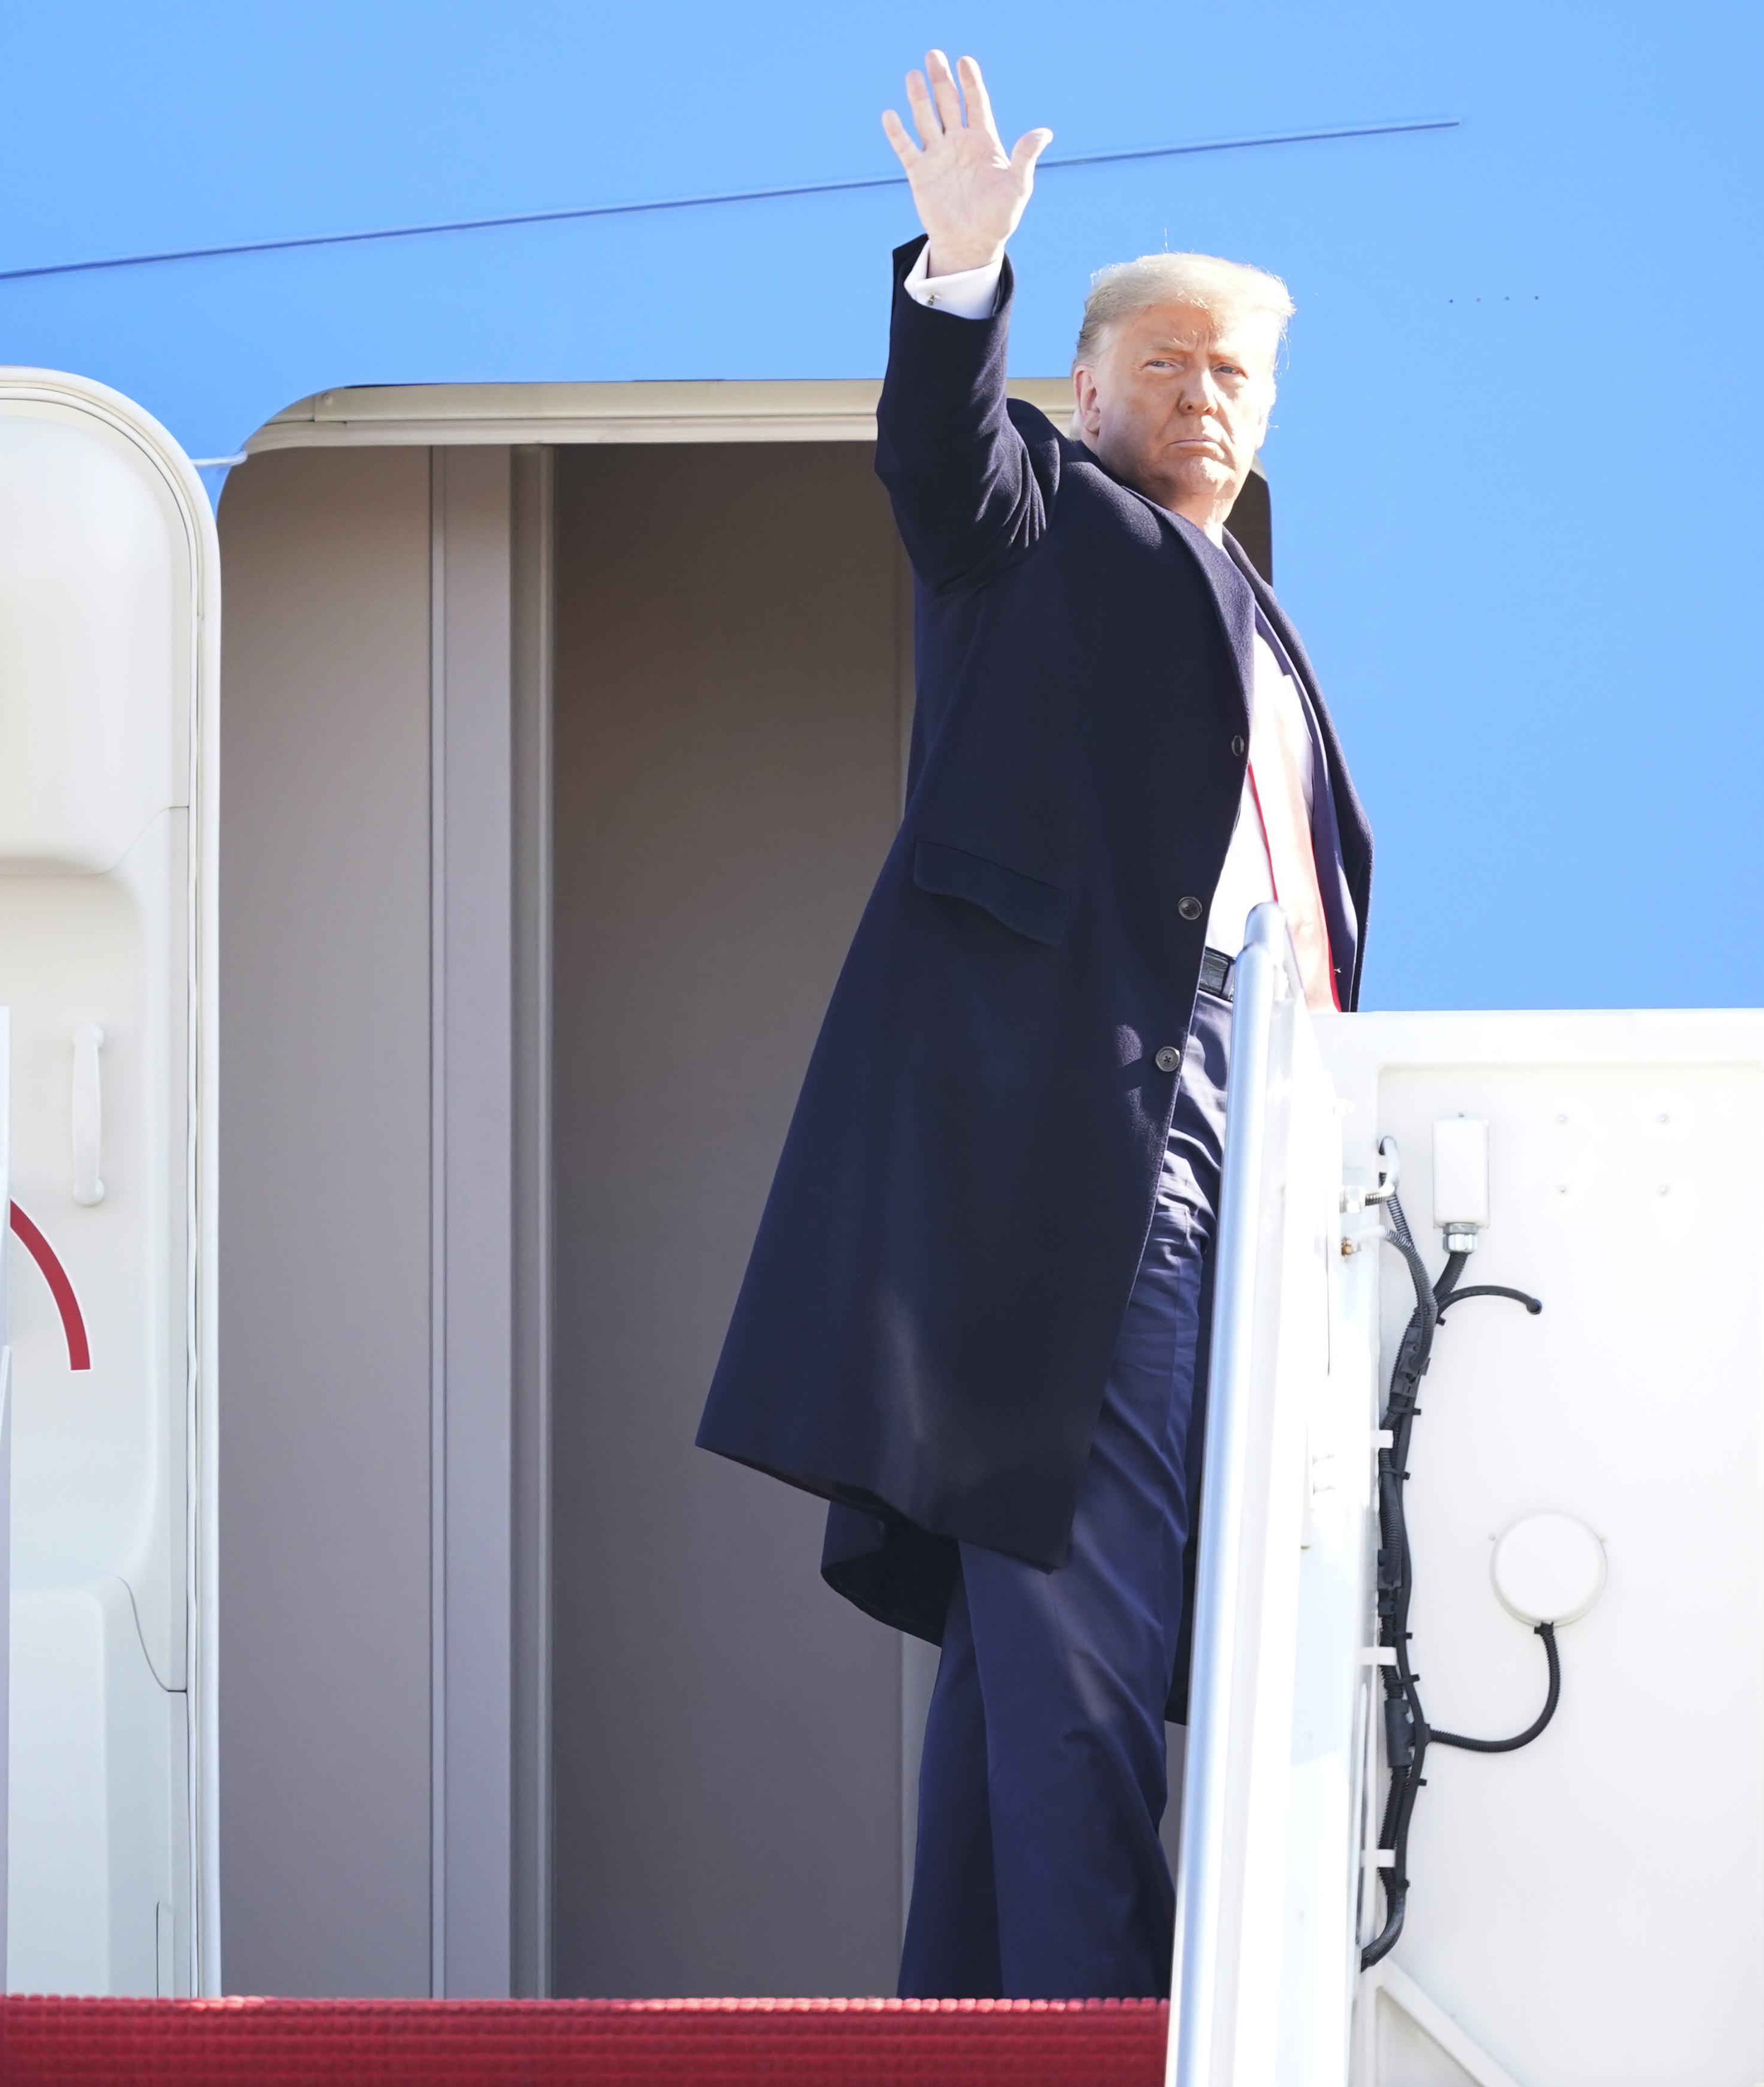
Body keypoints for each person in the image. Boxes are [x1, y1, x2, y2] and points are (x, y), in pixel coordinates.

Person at [695, 50, 1374, 2000]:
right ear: (1086, 388)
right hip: (1102, 1139)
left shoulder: (1257, 624)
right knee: (1097, 1612)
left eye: (1237, 372)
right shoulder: (1048, 530)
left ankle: (974, 2019)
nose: (1203, 396)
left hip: (1256, 1119)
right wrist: (960, 281)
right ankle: (1108, 2023)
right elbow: (944, 467)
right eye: (1163, 362)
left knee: (1031, 1639)